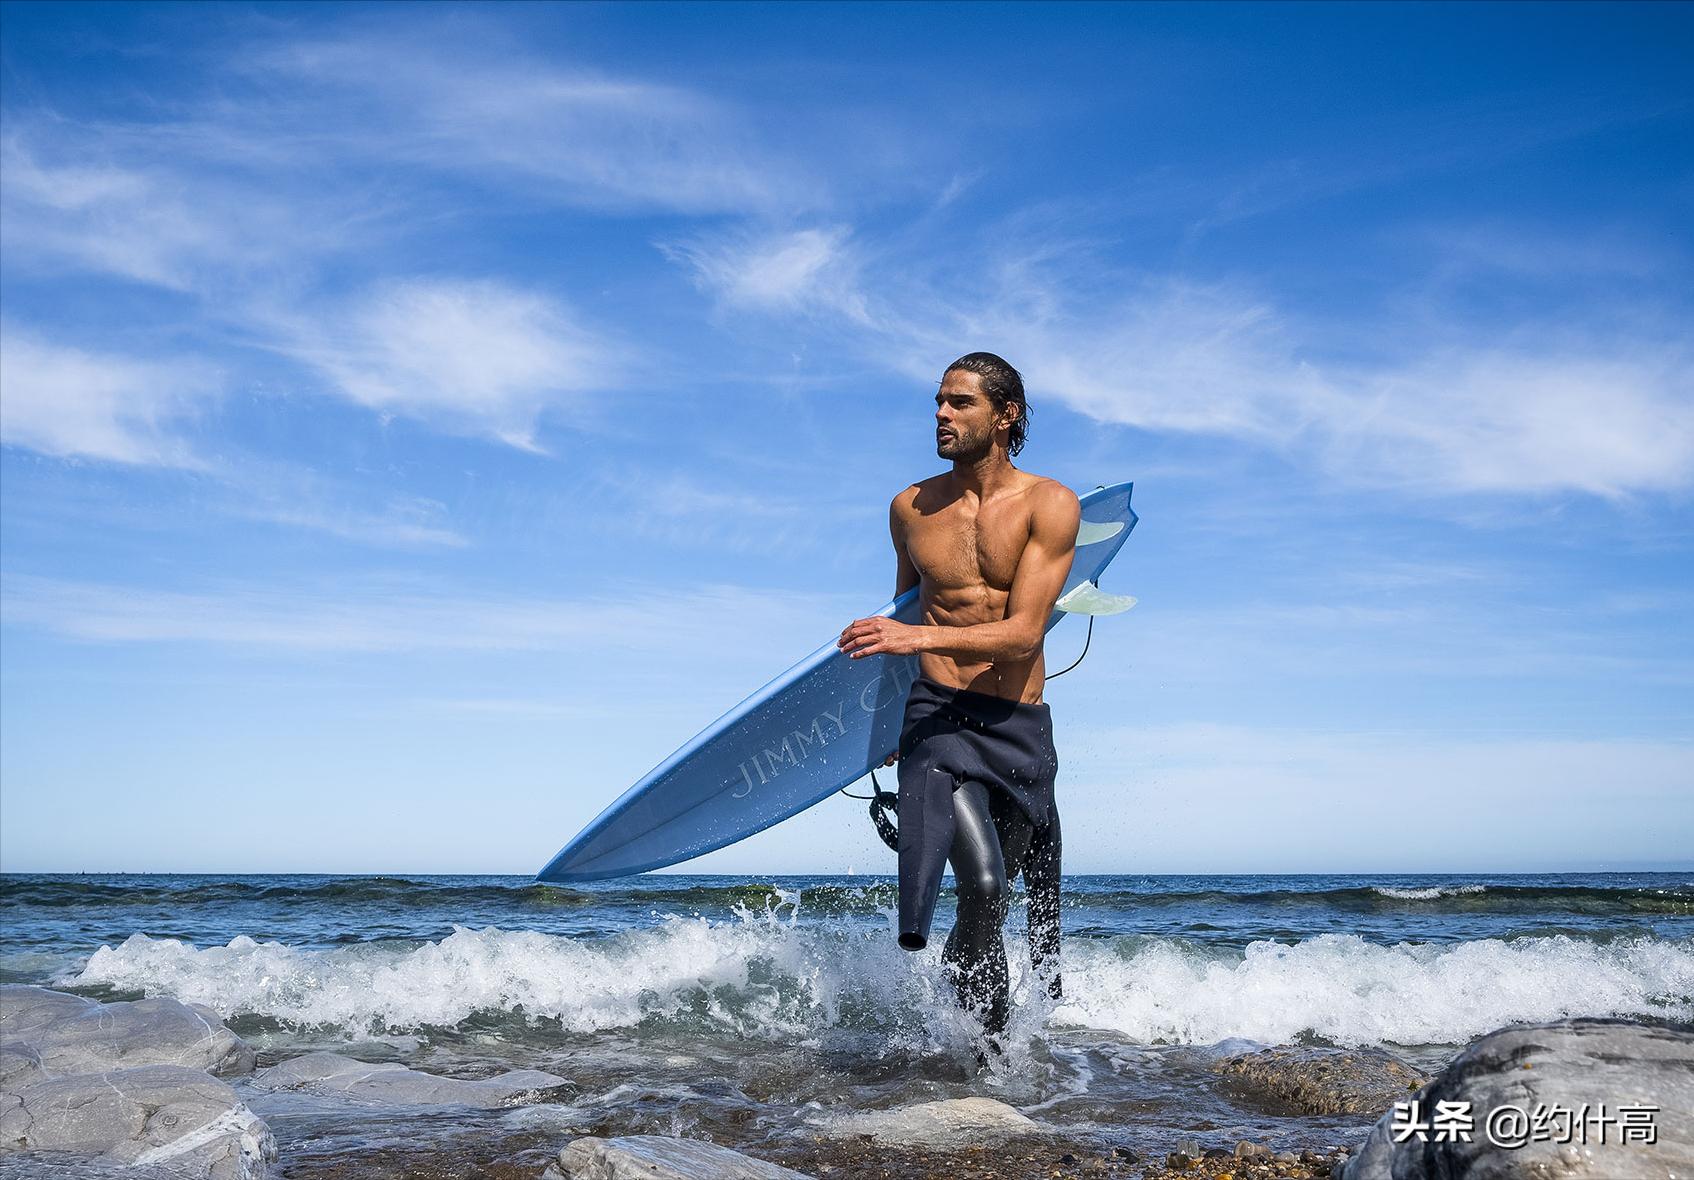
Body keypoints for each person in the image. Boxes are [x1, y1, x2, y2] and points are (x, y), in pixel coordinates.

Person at [836, 351, 1079, 1039]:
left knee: (988, 910)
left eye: (960, 403)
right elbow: (905, 611)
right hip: (937, 717)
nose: (942, 414)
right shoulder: (910, 508)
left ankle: (972, 1032)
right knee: (982, 885)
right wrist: (887, 725)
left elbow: (1024, 630)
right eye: (939, 402)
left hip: (1018, 724)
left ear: (1006, 415)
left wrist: (910, 641)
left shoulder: (1048, 504)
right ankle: (990, 1059)